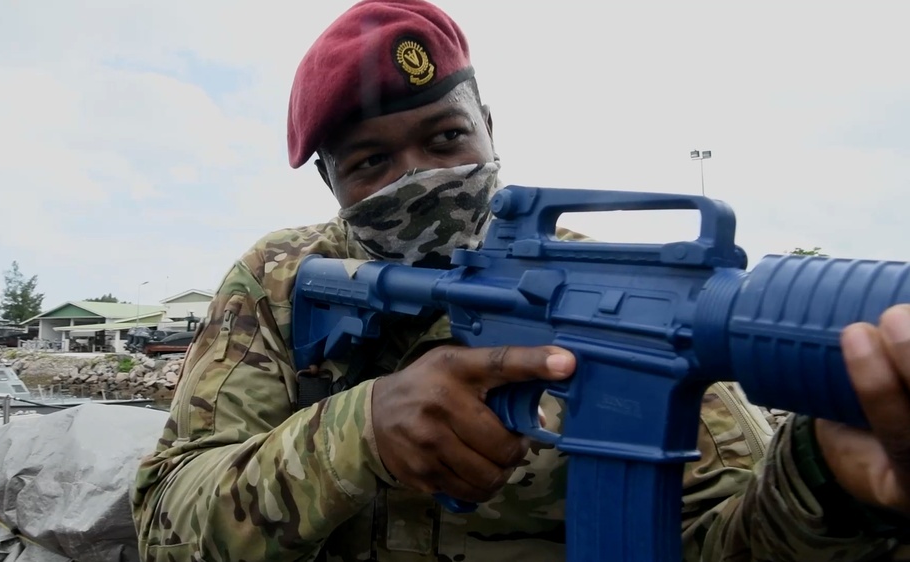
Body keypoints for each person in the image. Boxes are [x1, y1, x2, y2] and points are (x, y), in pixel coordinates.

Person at [131, 1, 910, 560]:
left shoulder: (617, 291)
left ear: (488, 130)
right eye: (372, 162)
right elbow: (167, 523)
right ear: (328, 181)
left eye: (445, 137)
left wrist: (818, 478)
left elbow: (719, 539)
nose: (422, 177)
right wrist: (356, 432)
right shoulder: (281, 278)